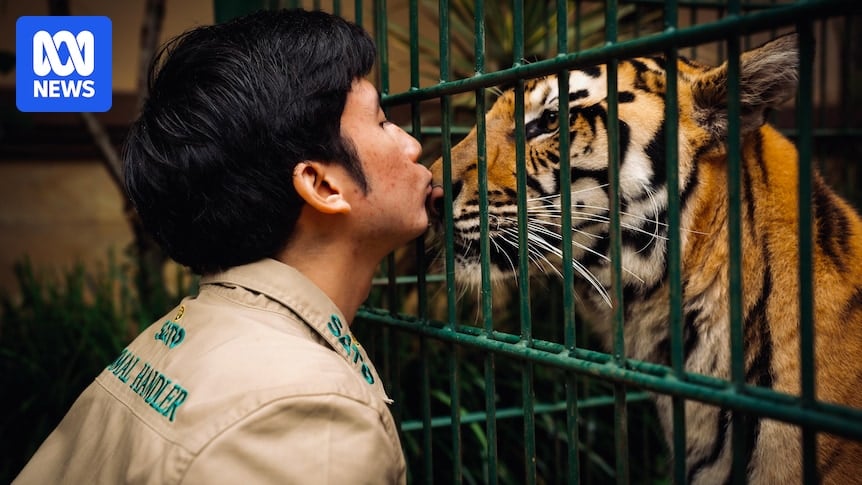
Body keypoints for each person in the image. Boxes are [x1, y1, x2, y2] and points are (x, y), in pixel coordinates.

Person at [14, 8, 432, 484]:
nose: (413, 145)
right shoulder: (304, 412)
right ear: (322, 185)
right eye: (382, 122)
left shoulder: (172, 337)